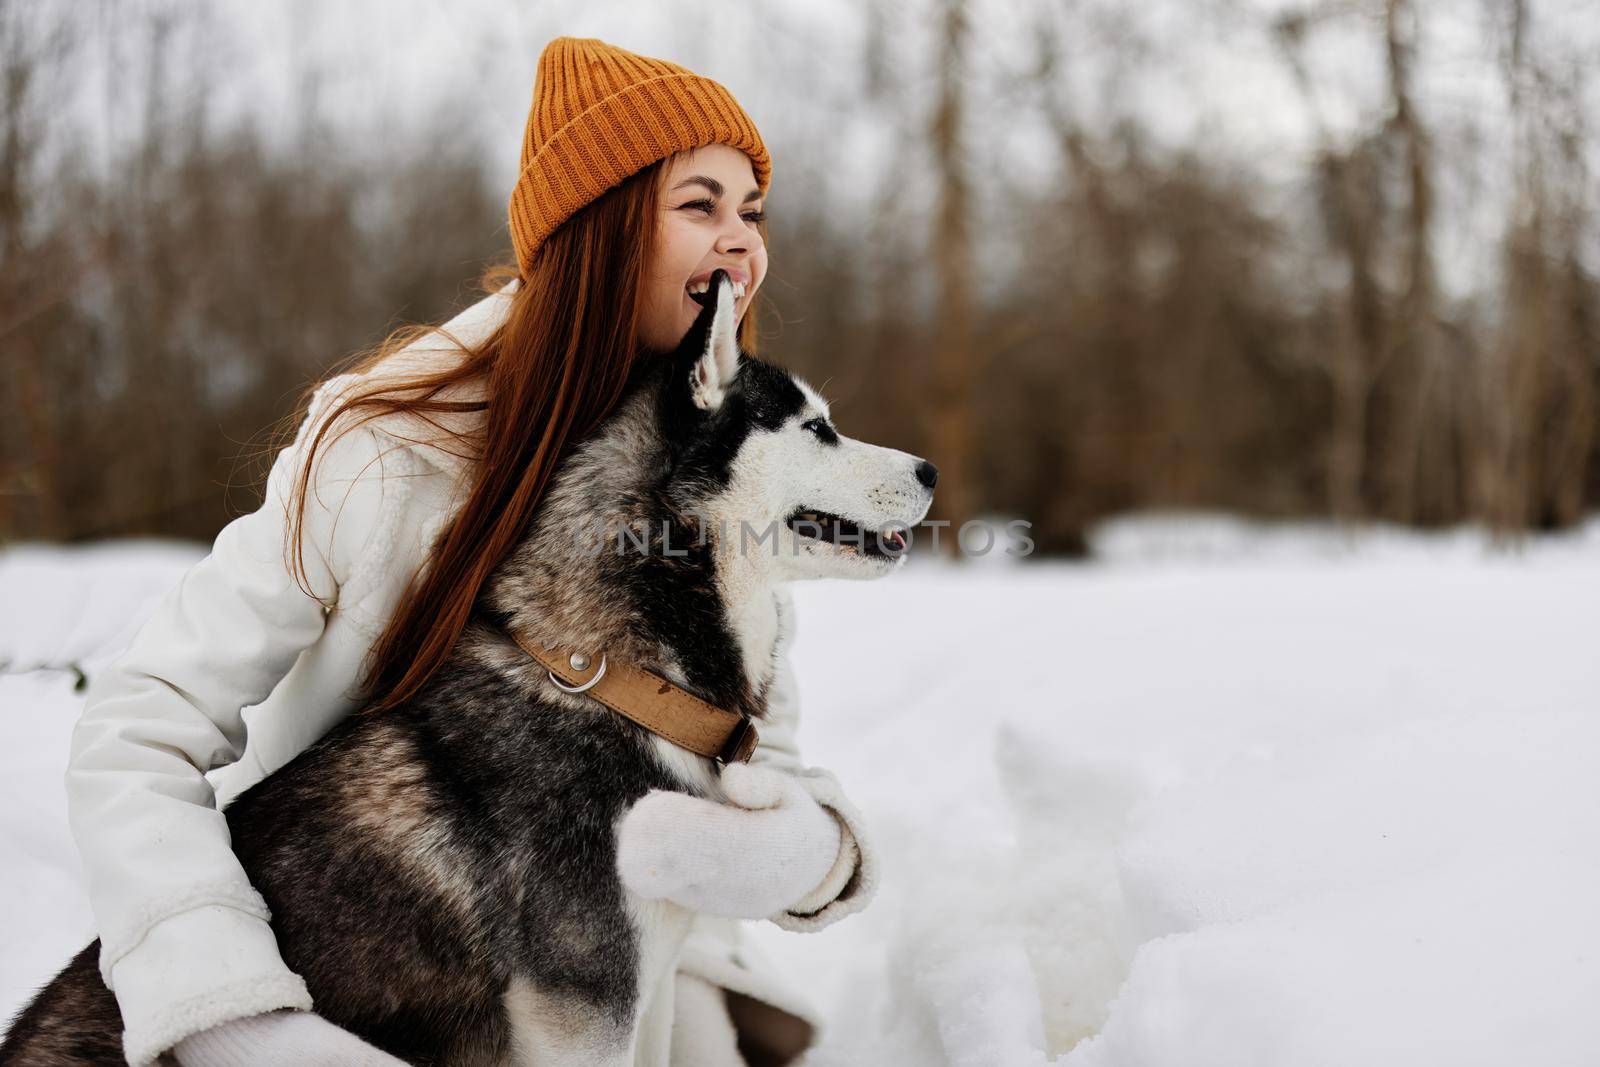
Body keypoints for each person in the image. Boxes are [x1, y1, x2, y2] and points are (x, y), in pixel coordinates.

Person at [64, 36, 878, 1067]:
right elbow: (139, 730)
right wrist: (231, 1009)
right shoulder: (383, 445)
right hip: (353, 989)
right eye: (702, 205)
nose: (743, 244)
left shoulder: (714, 470)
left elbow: (771, 756)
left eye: (753, 212)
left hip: (607, 1006)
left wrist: (807, 852)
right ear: (604, 229)